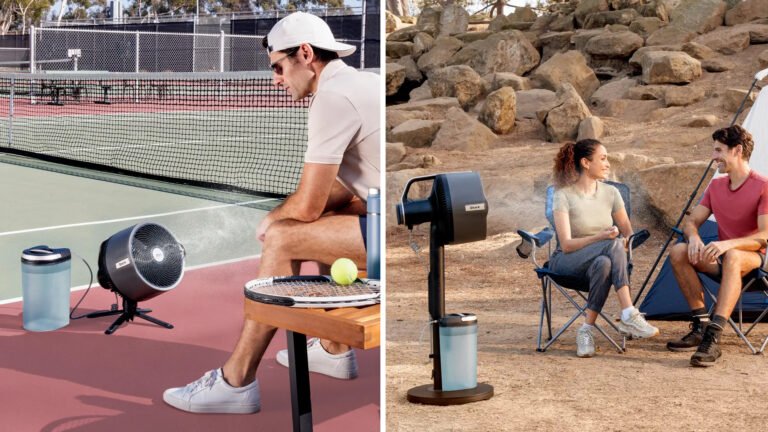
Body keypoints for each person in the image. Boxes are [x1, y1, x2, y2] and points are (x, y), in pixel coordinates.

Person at [162, 11, 380, 413]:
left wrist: (273, 221)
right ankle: (332, 350)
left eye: (278, 67)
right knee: (321, 218)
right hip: (394, 220)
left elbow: (309, 203)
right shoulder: (361, 80)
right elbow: (341, 190)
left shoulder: (332, 98)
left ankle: (236, 381)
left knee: (285, 237)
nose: (276, 79)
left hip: (392, 237)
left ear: (305, 54)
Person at [666, 125, 768, 367]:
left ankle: (714, 336)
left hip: (755, 260)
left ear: (737, 150)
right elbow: (692, 222)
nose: (713, 157)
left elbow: (765, 235)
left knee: (733, 255)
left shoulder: (762, 185)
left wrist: (727, 244)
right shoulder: (717, 186)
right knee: (679, 250)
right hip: (725, 259)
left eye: (718, 150)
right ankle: (701, 324)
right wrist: (694, 238)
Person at [550, 139, 659, 358]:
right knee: (611, 245)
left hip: (601, 263)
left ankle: (586, 330)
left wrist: (626, 240)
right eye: (603, 158)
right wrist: (601, 237)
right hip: (567, 262)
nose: (608, 163)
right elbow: (566, 245)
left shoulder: (611, 193)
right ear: (586, 162)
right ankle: (628, 313)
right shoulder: (563, 195)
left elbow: (628, 232)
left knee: (605, 263)